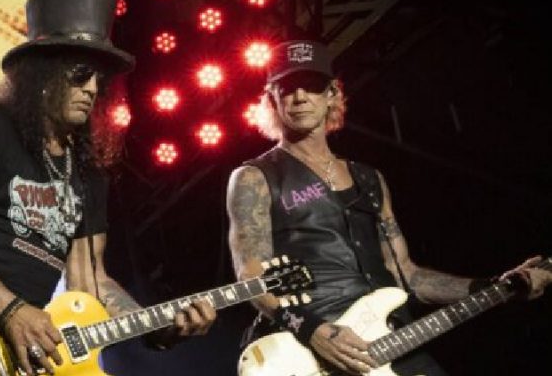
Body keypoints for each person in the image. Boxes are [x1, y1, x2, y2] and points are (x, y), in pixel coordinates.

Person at [0, 0, 216, 376]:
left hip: (20, 349)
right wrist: (10, 310)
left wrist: (157, 325)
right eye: (81, 74)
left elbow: (91, 283)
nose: (92, 89)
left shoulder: (86, 172)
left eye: (100, 79)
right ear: (42, 73)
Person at [226, 40, 546, 375]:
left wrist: (494, 285)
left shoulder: (369, 179)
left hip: (392, 341)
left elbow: (409, 276)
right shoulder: (254, 178)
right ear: (272, 99)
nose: (300, 96)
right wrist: (313, 331)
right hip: (312, 351)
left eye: (312, 85)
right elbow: (252, 280)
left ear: (332, 94)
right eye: (288, 88)